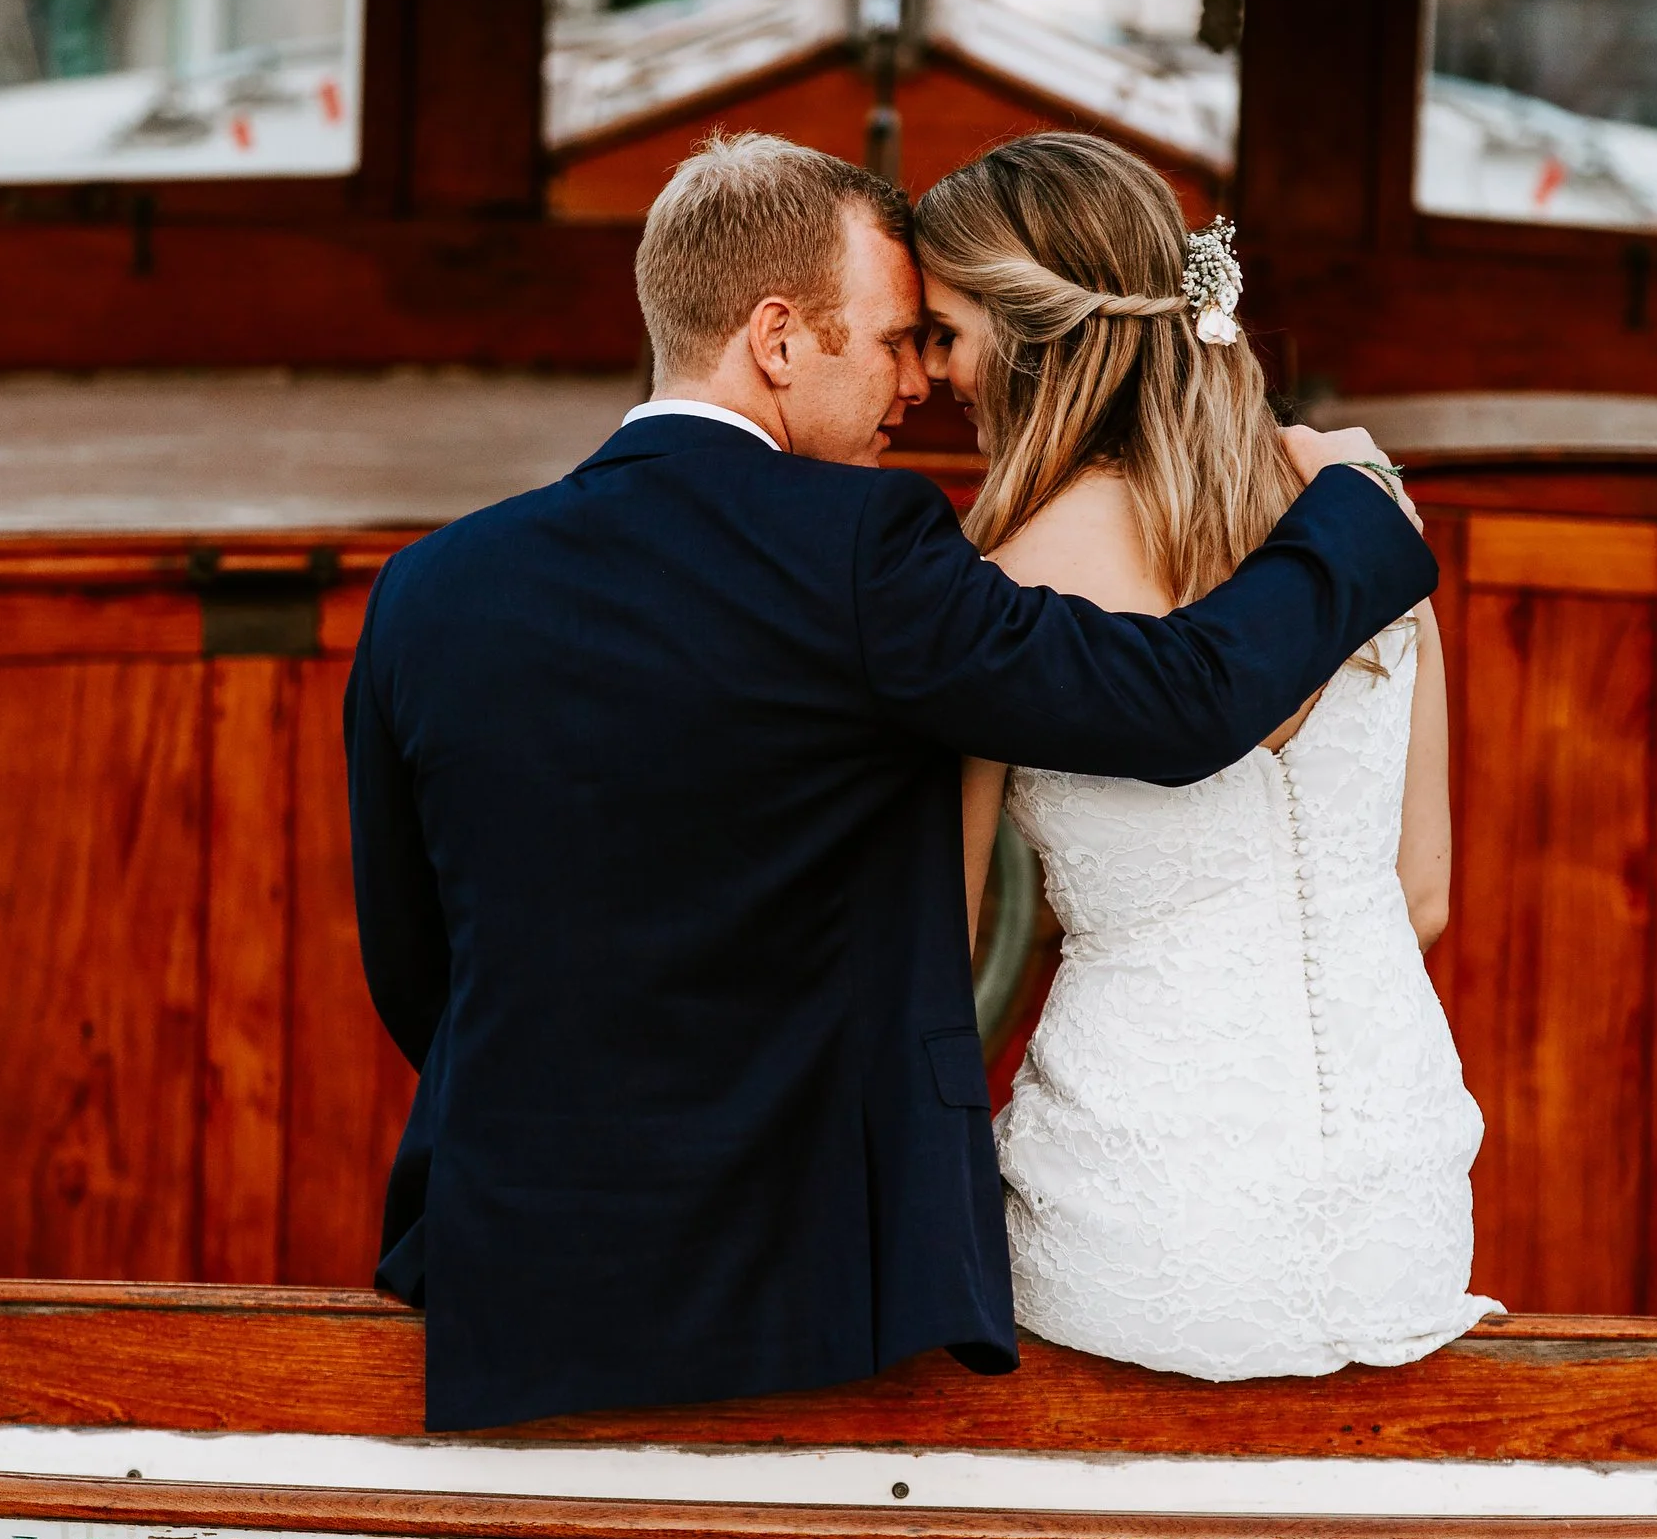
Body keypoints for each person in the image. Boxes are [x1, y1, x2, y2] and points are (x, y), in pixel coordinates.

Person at [345, 131, 1436, 1432]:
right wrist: (1361, 513)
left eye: (937, 339)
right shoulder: (865, 551)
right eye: (891, 340)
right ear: (778, 340)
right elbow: (1186, 700)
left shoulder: (426, 591)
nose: (916, 382)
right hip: (820, 1277)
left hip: (518, 1261)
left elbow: (413, 963)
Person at [915, 131, 1496, 1382]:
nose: (933, 371)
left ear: (1027, 338)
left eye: (946, 331)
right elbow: (1421, 896)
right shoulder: (1362, 511)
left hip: (1135, 1215)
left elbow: (941, 941)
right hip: (1398, 1200)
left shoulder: (997, 580)